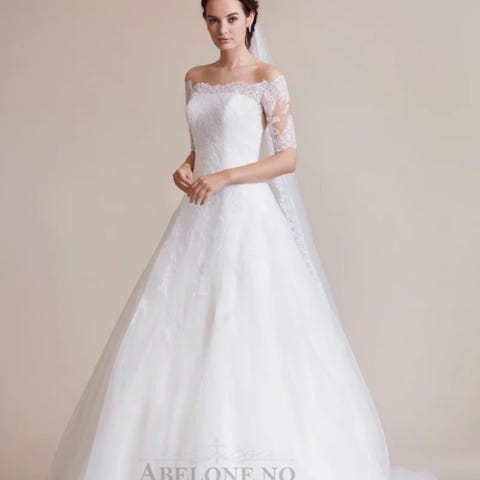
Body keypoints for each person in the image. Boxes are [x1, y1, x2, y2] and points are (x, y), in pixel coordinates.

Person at [45, 1, 438, 479]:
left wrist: (226, 176)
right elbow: (201, 146)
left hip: (248, 218)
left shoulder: (267, 77)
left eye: (231, 18)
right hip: (199, 217)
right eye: (212, 19)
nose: (222, 29)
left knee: (249, 329)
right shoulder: (195, 77)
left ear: (250, 17)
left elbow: (287, 157)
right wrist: (186, 168)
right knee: (179, 331)